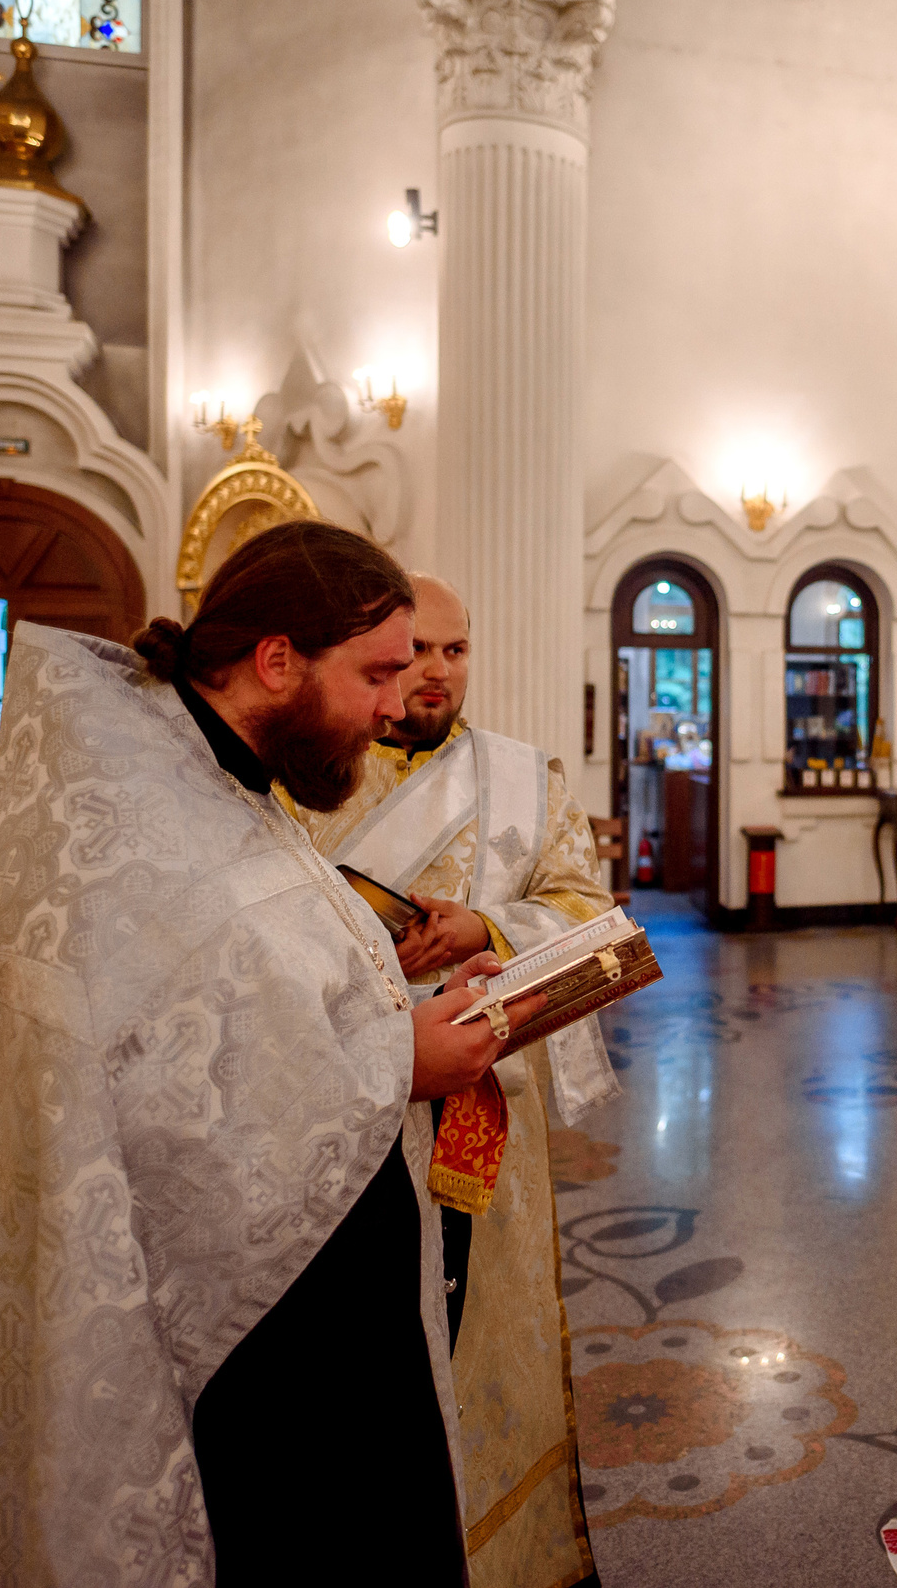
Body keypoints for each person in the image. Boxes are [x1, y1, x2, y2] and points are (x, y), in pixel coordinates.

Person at [0, 520, 546, 1583]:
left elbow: (253, 1018)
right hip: (248, 1354)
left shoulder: (224, 779)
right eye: (376, 672)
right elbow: (153, 1110)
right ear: (278, 660)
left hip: (328, 1313)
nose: (392, 703)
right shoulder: (133, 818)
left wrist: (405, 1020)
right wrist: (398, 1062)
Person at [287, 571, 612, 1587]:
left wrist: (487, 926)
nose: (435, 671)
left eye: (455, 650)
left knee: (483, 1332)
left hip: (484, 1110)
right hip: (340, 1103)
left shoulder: (524, 777)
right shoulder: (304, 775)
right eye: (415, 650)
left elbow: (593, 917)